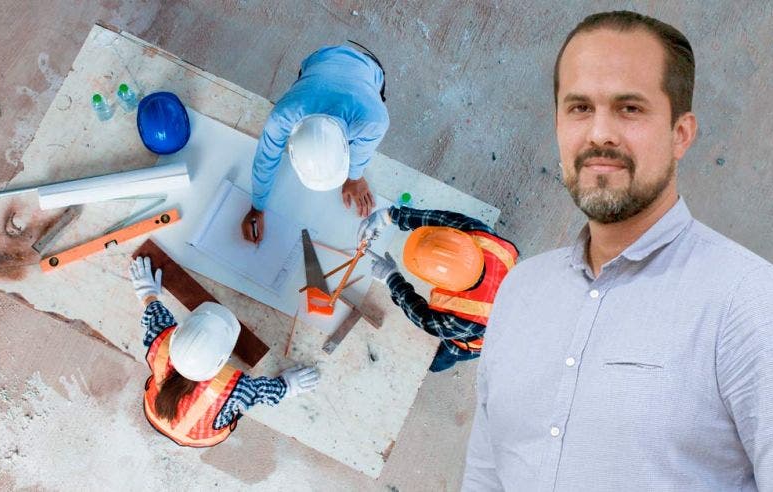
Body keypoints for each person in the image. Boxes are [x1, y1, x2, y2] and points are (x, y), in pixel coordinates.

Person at [462, 11, 773, 490]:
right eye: (579, 108)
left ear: (681, 134)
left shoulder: (753, 307)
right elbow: (485, 478)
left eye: (629, 108)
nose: (599, 134)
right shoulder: (522, 291)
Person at [129, 256, 320, 447]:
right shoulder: (231, 390)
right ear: (223, 360)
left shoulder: (160, 343)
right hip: (198, 437)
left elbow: (156, 317)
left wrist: (147, 293)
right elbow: (259, 393)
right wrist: (288, 385)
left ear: (177, 334)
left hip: (155, 414)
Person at [241, 44, 390, 244]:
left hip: (368, 67)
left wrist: (354, 178)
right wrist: (257, 207)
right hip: (319, 59)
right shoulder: (283, 116)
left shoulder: (372, 120)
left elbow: (361, 152)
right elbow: (265, 159)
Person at [359, 206, 518, 372]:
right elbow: (442, 219)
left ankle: (435, 366)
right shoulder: (479, 236)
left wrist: (392, 279)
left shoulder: (465, 318)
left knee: (444, 356)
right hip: (515, 303)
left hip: (479, 339)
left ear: (441, 283)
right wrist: (389, 216)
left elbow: (423, 317)